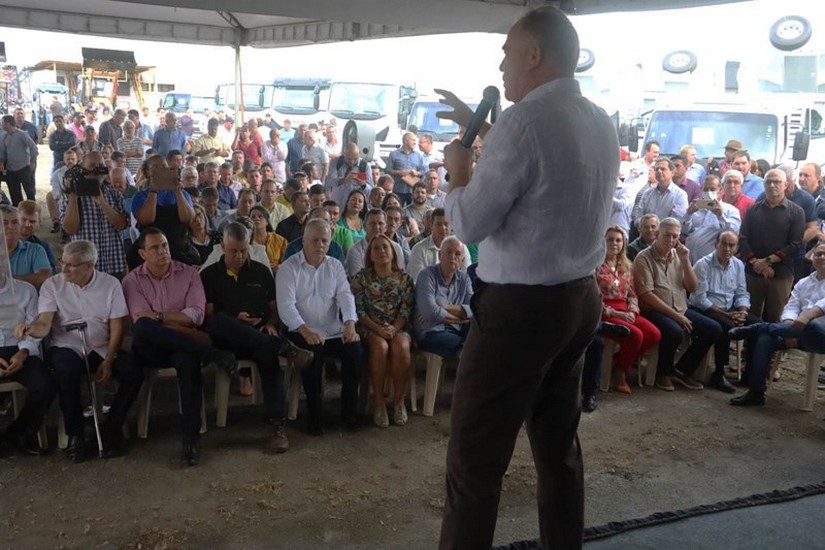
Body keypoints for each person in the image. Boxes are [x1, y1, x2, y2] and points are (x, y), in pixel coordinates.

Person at [434, 7, 619, 549]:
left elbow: (468, 222)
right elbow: (547, 164)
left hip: (520, 313)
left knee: (474, 459)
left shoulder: (524, 123)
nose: (502, 62)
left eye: (508, 51)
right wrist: (489, 128)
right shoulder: (597, 118)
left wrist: (458, 173)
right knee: (557, 447)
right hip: (578, 302)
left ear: (534, 54)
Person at [16, 240, 144, 462]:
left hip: (102, 346)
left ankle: (111, 427)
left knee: (133, 370)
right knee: (65, 372)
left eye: (71, 265)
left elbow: (117, 326)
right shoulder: (52, 286)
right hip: (68, 345)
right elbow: (44, 323)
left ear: (90, 265)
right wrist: (31, 330)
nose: (63, 269)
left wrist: (110, 359)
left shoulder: (110, 284)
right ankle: (76, 434)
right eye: (62, 263)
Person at [122, 228, 235, 465]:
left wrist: (160, 317)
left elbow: (195, 316)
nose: (162, 251)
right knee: (143, 328)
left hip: (181, 348)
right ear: (142, 253)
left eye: (164, 245)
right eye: (155, 248)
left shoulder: (189, 274)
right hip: (150, 349)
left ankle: (190, 439)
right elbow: (140, 320)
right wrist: (172, 321)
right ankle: (213, 354)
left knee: (188, 361)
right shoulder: (132, 280)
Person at [200, 222, 298, 454]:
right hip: (225, 341)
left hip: (258, 336)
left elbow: (274, 309)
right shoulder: (210, 274)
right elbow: (207, 316)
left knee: (267, 357)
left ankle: (276, 426)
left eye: (244, 250)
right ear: (223, 246)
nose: (240, 256)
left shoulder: (261, 272)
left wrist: (272, 324)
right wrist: (236, 320)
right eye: (234, 251)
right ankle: (283, 347)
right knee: (220, 322)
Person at [277, 218, 362, 435]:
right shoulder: (289, 267)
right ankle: (314, 417)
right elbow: (285, 306)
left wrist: (350, 325)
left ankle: (349, 412)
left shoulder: (335, 266)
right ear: (303, 240)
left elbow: (345, 296)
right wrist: (306, 331)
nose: (320, 245)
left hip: (332, 330)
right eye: (315, 240)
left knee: (355, 351)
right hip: (299, 330)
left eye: (324, 241)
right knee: (312, 354)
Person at [728, 242, 825, 407]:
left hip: (821, 337)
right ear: (812, 257)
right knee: (766, 339)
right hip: (798, 334)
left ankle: (756, 327)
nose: (821, 257)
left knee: (813, 324)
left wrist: (807, 317)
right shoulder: (804, 283)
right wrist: (790, 327)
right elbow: (791, 307)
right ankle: (756, 393)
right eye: (818, 254)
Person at [633, 217, 723, 391]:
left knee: (713, 329)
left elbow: (692, 287)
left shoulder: (678, 255)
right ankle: (663, 373)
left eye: (675, 237)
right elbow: (646, 295)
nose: (671, 240)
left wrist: (686, 261)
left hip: (681, 308)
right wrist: (676, 317)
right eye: (667, 235)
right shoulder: (644, 257)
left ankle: (682, 370)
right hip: (654, 310)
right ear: (657, 234)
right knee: (674, 331)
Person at [350, 233, 414, 428]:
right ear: (370, 255)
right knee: (380, 347)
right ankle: (378, 402)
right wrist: (378, 328)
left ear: (393, 252)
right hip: (370, 327)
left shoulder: (404, 278)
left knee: (402, 346)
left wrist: (394, 328)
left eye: (385, 247)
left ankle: (399, 401)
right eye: (376, 248)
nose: (381, 251)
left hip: (397, 327)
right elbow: (359, 310)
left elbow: (406, 309)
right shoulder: (361, 278)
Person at [688, 230, 757, 393]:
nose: (727, 248)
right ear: (716, 245)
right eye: (724, 244)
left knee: (758, 326)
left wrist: (743, 311)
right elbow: (699, 299)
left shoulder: (738, 265)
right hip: (705, 309)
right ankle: (719, 373)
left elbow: (742, 293)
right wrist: (727, 315)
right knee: (726, 326)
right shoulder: (703, 264)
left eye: (731, 245)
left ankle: (750, 371)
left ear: (737, 248)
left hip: (731, 309)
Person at [597, 226, 661, 393]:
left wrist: (632, 311)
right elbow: (593, 299)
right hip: (606, 313)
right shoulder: (596, 267)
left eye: (618, 240)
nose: (614, 243)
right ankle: (620, 374)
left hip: (626, 312)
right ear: (603, 241)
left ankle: (617, 362)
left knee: (653, 334)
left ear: (623, 243)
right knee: (635, 335)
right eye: (610, 239)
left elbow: (632, 294)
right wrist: (617, 313)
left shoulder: (626, 266)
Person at [737, 169, 805, 322]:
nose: (772, 185)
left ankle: (772, 347)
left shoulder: (796, 212)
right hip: (753, 272)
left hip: (781, 274)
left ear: (786, 185)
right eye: (768, 182)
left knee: (776, 317)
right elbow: (743, 239)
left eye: (777, 182)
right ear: (764, 184)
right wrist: (756, 263)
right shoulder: (753, 210)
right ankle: (750, 347)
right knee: (750, 316)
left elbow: (795, 244)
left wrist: (766, 261)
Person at [0, 273, 55, 456]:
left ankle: (19, 434)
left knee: (44, 384)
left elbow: (34, 328)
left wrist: (23, 353)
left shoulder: (25, 290)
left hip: (20, 349)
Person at [131, 154, 198, 266]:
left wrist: (177, 191)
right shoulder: (141, 196)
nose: (160, 170)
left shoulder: (183, 193)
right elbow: (146, 220)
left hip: (179, 247)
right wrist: (154, 190)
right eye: (155, 167)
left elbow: (188, 218)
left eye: (163, 167)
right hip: (152, 250)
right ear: (147, 172)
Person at [414, 236, 473, 359]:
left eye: (457, 254)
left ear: (462, 260)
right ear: (440, 255)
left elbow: (472, 308)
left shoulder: (464, 278)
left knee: (482, 337)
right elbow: (430, 312)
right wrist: (461, 318)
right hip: (432, 331)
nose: (453, 257)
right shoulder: (427, 275)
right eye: (448, 252)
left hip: (458, 329)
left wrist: (445, 306)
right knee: (466, 348)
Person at [683, 175, 741, 264]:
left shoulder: (731, 210)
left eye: (713, 189)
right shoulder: (696, 208)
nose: (709, 193)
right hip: (689, 258)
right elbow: (684, 230)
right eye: (706, 189)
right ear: (701, 190)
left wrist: (721, 216)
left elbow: (733, 233)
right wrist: (688, 214)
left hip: (712, 262)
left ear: (720, 190)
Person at [407, 208, 471, 281]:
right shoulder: (418, 249)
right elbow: (418, 279)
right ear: (431, 225)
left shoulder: (461, 247)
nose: (443, 228)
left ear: (451, 226)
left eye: (446, 224)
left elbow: (466, 275)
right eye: (438, 224)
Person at [4, 205, 52, 290]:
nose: (11, 227)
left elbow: (45, 277)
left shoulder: (36, 249)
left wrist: (9, 282)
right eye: (4, 222)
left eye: (15, 222)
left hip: (27, 301)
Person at [0, 114, 38, 205]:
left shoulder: (22, 134)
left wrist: (32, 162)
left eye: (2, 122)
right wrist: (1, 163)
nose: (1, 124)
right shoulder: (4, 136)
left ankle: (32, 209)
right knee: (14, 192)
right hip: (11, 168)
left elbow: (33, 148)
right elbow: (3, 152)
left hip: (24, 167)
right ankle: (18, 211)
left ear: (8, 123)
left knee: (29, 190)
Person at [386, 132, 425, 205]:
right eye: (413, 140)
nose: (415, 143)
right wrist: (399, 172)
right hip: (398, 189)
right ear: (405, 141)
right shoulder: (394, 154)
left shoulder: (418, 156)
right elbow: (387, 170)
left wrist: (417, 173)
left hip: (413, 191)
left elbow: (423, 171)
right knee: (396, 210)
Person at [18, 200, 57, 272]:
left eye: (32, 221)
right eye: (24, 220)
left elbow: (51, 276)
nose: (27, 224)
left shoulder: (44, 247)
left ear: (39, 222)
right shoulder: (3, 243)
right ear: (16, 219)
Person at [249, 204, 287, 272]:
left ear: (267, 221)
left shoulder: (280, 240)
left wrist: (279, 267)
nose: (256, 218)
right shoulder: (247, 241)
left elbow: (288, 260)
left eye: (260, 216)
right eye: (253, 217)